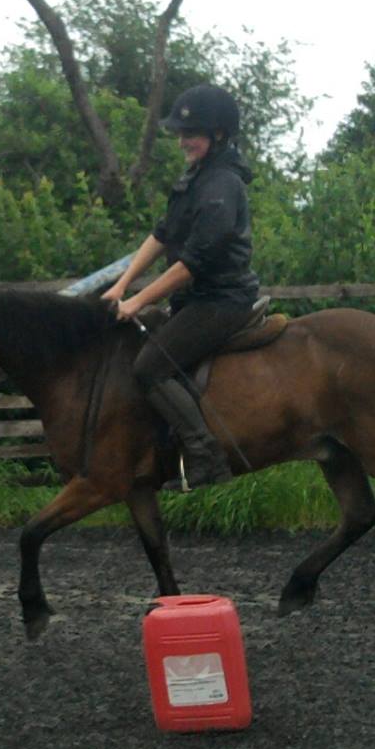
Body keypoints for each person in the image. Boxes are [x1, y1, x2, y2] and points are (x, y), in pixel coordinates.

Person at [102, 84, 260, 491]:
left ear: (220, 134)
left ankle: (206, 458)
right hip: (197, 298)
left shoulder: (222, 184)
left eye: (192, 134)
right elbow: (161, 236)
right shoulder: (196, 177)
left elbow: (192, 263)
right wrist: (120, 285)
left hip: (222, 300)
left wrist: (137, 300)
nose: (183, 141)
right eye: (180, 134)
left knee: (150, 367)